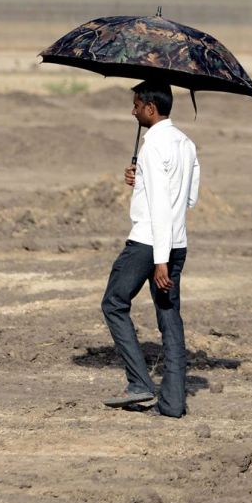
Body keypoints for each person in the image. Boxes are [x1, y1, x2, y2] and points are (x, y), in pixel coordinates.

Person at [100, 81, 200, 418]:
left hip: (149, 243)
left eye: (136, 105)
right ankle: (172, 404)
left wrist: (159, 261)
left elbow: (159, 205)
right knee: (169, 320)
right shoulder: (186, 143)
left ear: (150, 108)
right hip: (178, 242)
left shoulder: (153, 146)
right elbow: (188, 197)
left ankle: (139, 383)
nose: (133, 111)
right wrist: (140, 179)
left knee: (114, 303)